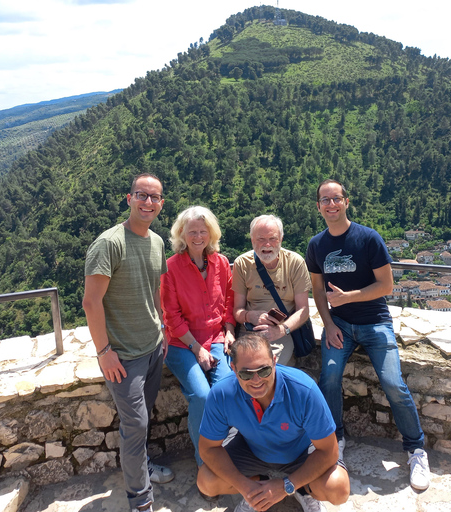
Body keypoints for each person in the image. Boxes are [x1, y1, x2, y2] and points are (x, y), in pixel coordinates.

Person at [305, 179, 430, 491]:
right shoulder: (316, 245)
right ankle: (336, 441)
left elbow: (386, 286)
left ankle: (415, 449)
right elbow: (318, 291)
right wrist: (329, 324)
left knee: (392, 382)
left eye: (336, 199)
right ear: (318, 206)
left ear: (347, 201)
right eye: (324, 200)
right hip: (339, 326)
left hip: (375, 322)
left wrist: (349, 297)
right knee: (329, 378)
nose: (331, 205)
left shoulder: (368, 238)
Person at [82, 173, 174, 512]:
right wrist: (104, 352)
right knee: (135, 425)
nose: (148, 202)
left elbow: (154, 289)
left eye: (154, 197)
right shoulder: (109, 243)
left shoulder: (157, 242)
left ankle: (143, 469)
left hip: (152, 348)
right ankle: (141, 501)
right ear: (128, 198)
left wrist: (162, 328)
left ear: (161, 203)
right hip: (123, 356)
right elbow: (91, 302)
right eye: (141, 195)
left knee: (143, 419)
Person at [196, 334, 350, 512]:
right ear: (233, 368)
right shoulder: (221, 393)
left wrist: (287, 485)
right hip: (251, 451)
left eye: (264, 371)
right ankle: (257, 491)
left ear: (275, 361)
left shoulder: (303, 389)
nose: (256, 381)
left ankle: (302, 489)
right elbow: (208, 448)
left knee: (338, 488)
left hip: (300, 452)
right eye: (246, 373)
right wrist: (245, 487)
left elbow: (329, 451)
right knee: (206, 481)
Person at [160, 205, 236, 466]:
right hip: (181, 343)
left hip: (215, 338)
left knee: (226, 390)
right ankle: (204, 461)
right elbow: (171, 317)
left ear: (211, 233)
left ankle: (226, 449)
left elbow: (228, 301)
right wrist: (196, 348)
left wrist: (229, 330)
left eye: (203, 231)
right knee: (202, 396)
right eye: (192, 231)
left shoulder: (222, 263)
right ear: (182, 234)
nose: (198, 237)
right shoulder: (170, 268)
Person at [232, 215, 311, 367]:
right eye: (261, 239)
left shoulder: (295, 263)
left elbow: (303, 310)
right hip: (249, 331)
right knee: (242, 370)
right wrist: (250, 316)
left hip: (280, 331)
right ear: (252, 239)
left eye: (273, 238)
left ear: (281, 238)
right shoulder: (242, 264)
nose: (267, 244)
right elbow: (237, 310)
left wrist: (281, 330)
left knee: (267, 369)